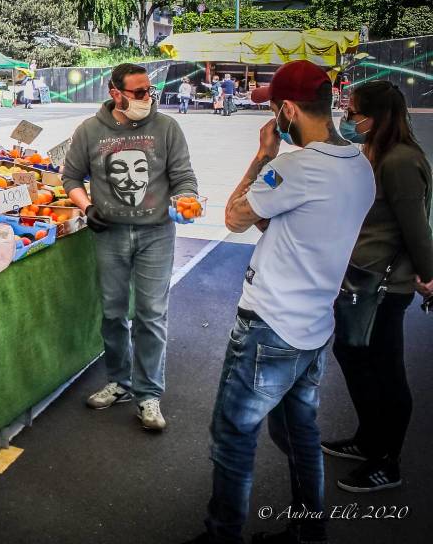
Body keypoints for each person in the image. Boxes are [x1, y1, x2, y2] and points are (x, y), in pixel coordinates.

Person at [183, 60, 375, 544]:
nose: (273, 117)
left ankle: (222, 535)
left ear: (288, 109)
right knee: (298, 433)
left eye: (273, 108)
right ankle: (310, 531)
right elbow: (292, 225)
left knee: (233, 433)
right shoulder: (358, 164)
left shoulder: (294, 166)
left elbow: (233, 217)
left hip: (269, 324)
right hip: (313, 324)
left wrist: (262, 155)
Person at [63, 63, 199, 431]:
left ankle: (149, 394)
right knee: (112, 313)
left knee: (151, 314)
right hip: (110, 235)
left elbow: (184, 177)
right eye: (138, 92)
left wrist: (187, 200)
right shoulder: (90, 131)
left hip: (156, 234)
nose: (147, 98)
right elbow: (71, 177)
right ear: (115, 93)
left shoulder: (166, 127)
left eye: (149, 91)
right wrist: (86, 207)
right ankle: (119, 382)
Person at [323, 81, 433, 492]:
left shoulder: (401, 161)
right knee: (353, 353)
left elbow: (416, 228)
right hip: (363, 277)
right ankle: (369, 438)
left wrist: (427, 274)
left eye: (352, 112)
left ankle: (388, 460)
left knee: (385, 368)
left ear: (377, 117)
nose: (347, 118)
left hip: (384, 285)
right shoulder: (376, 152)